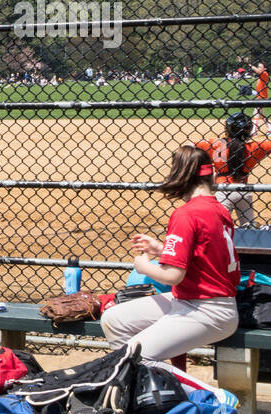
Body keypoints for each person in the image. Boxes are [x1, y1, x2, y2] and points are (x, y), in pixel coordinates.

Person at [101, 145, 239, 373]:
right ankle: (141, 385)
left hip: (207, 309)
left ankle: (201, 396)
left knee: (134, 355)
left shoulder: (187, 213)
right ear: (211, 176)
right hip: (194, 301)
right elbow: (203, 255)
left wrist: (143, 266)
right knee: (114, 319)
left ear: (179, 176)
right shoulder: (218, 209)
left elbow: (173, 275)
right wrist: (160, 248)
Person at [194, 112, 271, 228]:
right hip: (244, 191)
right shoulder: (254, 147)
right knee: (249, 228)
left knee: (218, 228)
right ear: (249, 130)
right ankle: (256, 230)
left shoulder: (216, 144)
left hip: (223, 191)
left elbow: (190, 146)